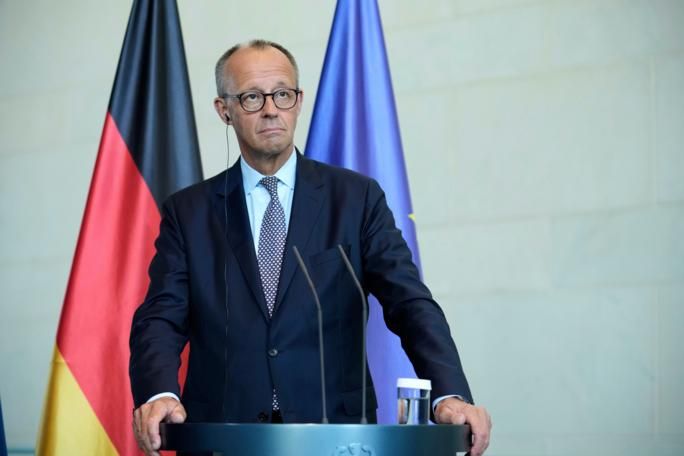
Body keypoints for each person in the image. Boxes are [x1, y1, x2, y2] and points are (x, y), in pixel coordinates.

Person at [130, 39, 491, 456]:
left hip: (336, 437)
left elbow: (409, 301)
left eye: (282, 94)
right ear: (224, 110)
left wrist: (449, 393)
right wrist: (159, 392)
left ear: (299, 101)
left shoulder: (356, 198)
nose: (271, 109)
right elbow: (161, 316)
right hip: (224, 437)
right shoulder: (188, 212)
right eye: (252, 97)